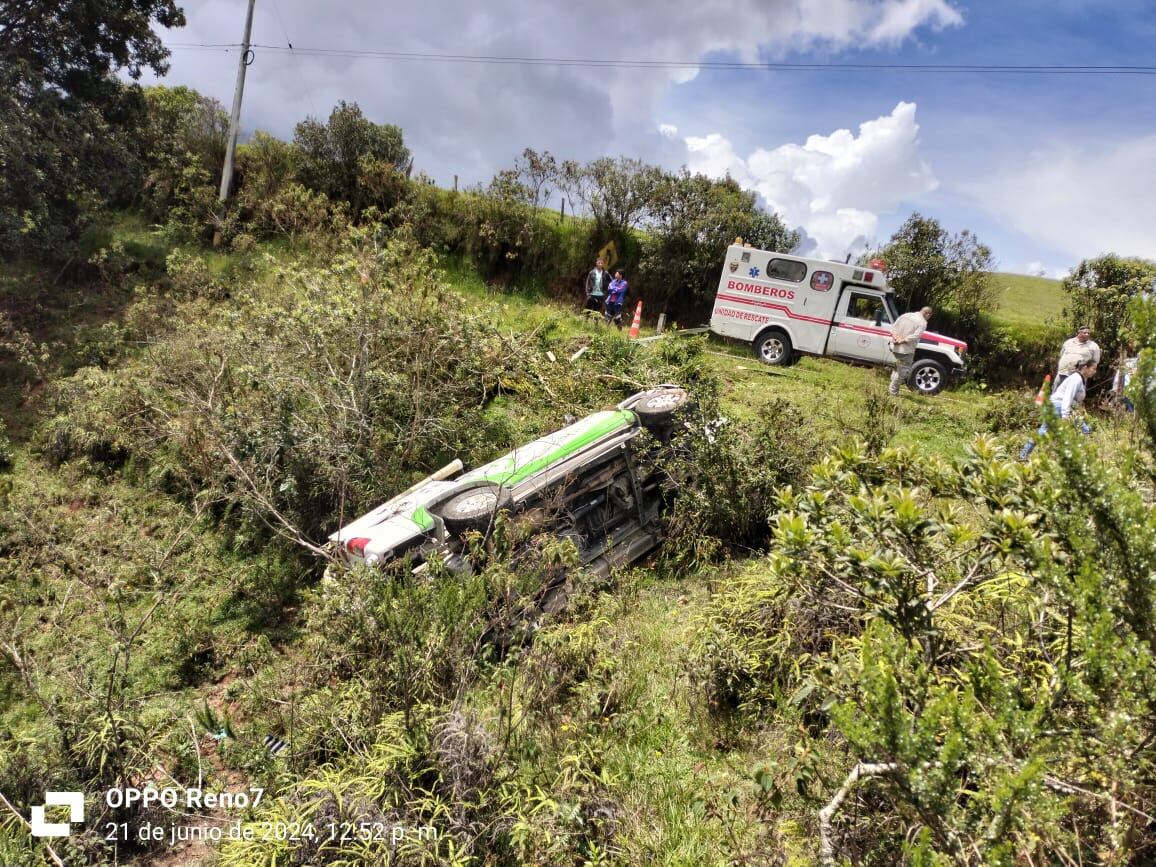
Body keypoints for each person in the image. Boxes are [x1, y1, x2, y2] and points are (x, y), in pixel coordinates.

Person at [1019, 358, 1097, 460]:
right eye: (1094, 368)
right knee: (1084, 430)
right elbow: (1067, 396)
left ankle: (1024, 454)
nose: (1095, 371)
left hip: (1058, 406)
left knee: (1044, 431)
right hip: (1058, 406)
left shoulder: (1079, 379)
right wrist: (1065, 414)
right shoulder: (1076, 379)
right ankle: (1085, 457)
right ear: (1085, 368)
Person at [888, 306, 933, 396]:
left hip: (893, 345)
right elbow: (915, 336)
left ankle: (891, 388)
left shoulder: (906, 315)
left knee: (897, 368)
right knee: (903, 371)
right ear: (928, 314)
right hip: (906, 349)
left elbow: (893, 327)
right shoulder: (923, 322)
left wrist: (895, 338)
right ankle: (893, 392)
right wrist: (902, 340)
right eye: (930, 316)